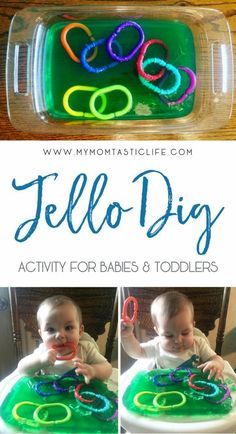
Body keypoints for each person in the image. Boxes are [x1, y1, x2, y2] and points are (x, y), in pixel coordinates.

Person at [121, 291, 225, 380]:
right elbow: (136, 352)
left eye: (185, 333)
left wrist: (216, 363)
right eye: (169, 336)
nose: (178, 340)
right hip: (163, 388)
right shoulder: (156, 346)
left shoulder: (198, 344)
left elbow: (215, 358)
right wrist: (127, 336)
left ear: (192, 326)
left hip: (192, 387)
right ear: (157, 331)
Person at [18, 295, 112, 383]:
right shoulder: (43, 352)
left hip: (80, 394)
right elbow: (22, 369)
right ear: (41, 334)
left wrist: (93, 370)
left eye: (68, 328)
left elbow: (108, 369)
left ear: (80, 331)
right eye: (51, 329)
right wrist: (40, 361)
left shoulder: (85, 349)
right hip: (50, 394)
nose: (60, 335)